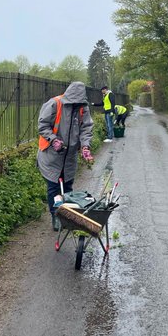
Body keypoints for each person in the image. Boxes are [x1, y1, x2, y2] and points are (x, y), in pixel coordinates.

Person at [37, 81, 95, 232]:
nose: (76, 104)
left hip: (69, 156)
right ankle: (55, 216)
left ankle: (67, 216)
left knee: (68, 186)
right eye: (73, 102)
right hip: (51, 155)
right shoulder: (55, 104)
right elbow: (42, 125)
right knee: (54, 187)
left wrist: (85, 146)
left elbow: (86, 128)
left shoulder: (83, 107)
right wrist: (53, 139)